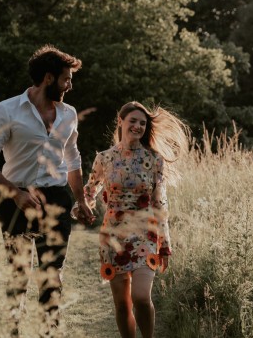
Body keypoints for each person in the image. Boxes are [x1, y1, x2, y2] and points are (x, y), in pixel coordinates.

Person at [0, 45, 94, 336]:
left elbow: (72, 158)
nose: (70, 85)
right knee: (18, 276)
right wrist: (15, 193)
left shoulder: (69, 114)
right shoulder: (6, 110)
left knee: (52, 277)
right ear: (49, 78)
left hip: (56, 199)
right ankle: (13, 331)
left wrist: (81, 200)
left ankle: (48, 333)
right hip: (15, 198)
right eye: (66, 79)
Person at [82, 101, 188, 338]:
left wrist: (165, 245)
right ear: (121, 122)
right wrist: (83, 206)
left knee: (140, 297)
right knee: (121, 304)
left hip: (145, 235)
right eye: (133, 121)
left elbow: (160, 203)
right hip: (113, 237)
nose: (138, 126)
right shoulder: (104, 158)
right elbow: (91, 190)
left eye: (143, 123)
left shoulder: (154, 160)